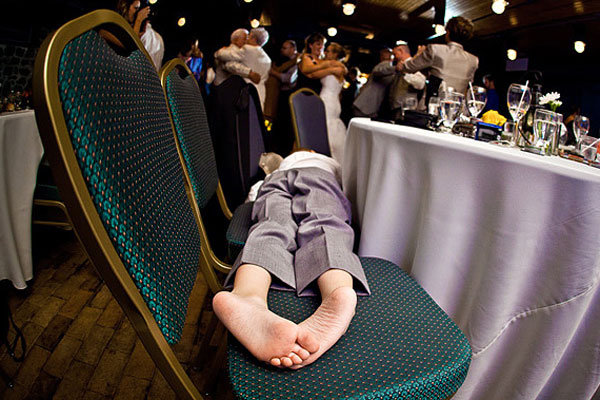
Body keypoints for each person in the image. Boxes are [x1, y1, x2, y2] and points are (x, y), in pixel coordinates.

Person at [213, 150, 370, 368]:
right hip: (313, 178)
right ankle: (337, 290)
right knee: (325, 225)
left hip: (280, 181)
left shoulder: (311, 162)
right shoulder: (328, 162)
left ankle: (248, 294)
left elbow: (253, 198)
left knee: (270, 227)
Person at [400, 16, 479, 95]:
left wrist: (415, 56)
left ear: (448, 32)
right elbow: (468, 84)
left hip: (434, 104)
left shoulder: (435, 49)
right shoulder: (474, 60)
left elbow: (409, 67)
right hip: (458, 105)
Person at [353, 41, 417, 119]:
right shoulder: (385, 65)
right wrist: (395, 68)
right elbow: (378, 71)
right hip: (366, 107)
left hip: (371, 107)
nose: (395, 56)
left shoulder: (399, 67)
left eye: (395, 54)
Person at [265, 40, 300, 156]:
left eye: (285, 48)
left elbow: (289, 79)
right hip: (282, 95)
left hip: (289, 96)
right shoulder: (284, 61)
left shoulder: (297, 62)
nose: (282, 50)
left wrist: (273, 72)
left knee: (285, 125)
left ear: (292, 49)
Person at [320, 42, 349, 164]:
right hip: (333, 100)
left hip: (328, 100)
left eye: (329, 51)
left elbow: (314, 74)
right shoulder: (338, 67)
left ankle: (328, 159)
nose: (326, 53)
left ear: (336, 54)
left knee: (327, 127)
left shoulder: (338, 68)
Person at [117, 0, 164, 71]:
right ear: (125, 7)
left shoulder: (151, 36)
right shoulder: (112, 25)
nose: (137, 13)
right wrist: (138, 20)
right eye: (136, 8)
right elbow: (130, 47)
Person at [388, 42, 426, 118]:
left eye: (395, 54)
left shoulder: (414, 65)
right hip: (395, 108)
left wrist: (405, 72)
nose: (394, 57)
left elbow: (420, 84)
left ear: (401, 51)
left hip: (406, 109)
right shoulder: (399, 66)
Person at [241, 27, 272, 110]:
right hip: (260, 94)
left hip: (243, 94)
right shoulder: (267, 59)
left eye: (248, 36)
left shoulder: (244, 50)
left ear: (253, 38)